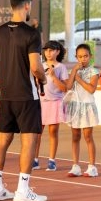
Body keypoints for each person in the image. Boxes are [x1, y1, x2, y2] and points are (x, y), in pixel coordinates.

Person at [0, 0, 48, 201]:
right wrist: (44, 78)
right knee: (29, 141)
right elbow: (36, 67)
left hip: (6, 96)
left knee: (2, 140)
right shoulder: (32, 34)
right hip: (26, 95)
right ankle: (23, 190)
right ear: (27, 6)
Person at [32, 40, 68, 171]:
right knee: (37, 133)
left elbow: (64, 88)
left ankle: (52, 160)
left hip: (55, 102)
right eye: (46, 50)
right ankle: (34, 159)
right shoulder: (39, 65)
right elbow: (35, 84)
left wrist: (53, 76)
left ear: (57, 52)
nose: (48, 52)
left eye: (51, 50)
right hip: (41, 102)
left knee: (53, 132)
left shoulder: (61, 67)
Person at [65, 43, 100, 177]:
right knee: (75, 136)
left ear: (90, 56)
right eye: (80, 57)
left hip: (87, 106)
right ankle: (75, 166)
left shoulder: (94, 71)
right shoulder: (74, 71)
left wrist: (78, 78)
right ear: (76, 57)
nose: (83, 59)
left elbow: (91, 89)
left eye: (85, 56)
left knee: (88, 136)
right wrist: (74, 72)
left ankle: (92, 166)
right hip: (75, 106)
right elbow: (68, 87)